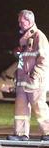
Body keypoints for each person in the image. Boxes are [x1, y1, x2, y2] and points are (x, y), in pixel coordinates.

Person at [7, 10, 49, 141]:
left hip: (34, 81)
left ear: (29, 21)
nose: (19, 24)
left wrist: (34, 76)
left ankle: (47, 132)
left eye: (21, 21)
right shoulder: (25, 39)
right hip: (22, 81)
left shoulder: (38, 36)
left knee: (39, 107)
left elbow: (44, 59)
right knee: (21, 109)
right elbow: (24, 59)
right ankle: (20, 134)